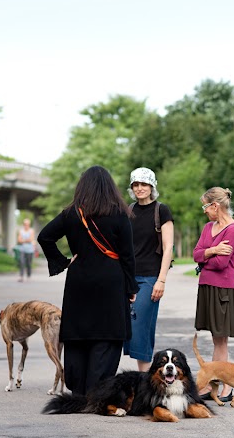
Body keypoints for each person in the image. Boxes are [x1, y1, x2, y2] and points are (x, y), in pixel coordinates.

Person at [37, 165, 138, 395]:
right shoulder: (120, 214)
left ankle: (79, 390)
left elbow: (45, 237)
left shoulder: (72, 213)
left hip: (79, 280)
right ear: (110, 187)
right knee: (107, 334)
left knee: (78, 333)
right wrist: (131, 286)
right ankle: (98, 390)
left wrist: (62, 262)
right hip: (111, 282)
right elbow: (127, 256)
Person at [193, 187, 234, 402]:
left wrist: (206, 257)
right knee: (215, 339)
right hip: (206, 287)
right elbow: (196, 255)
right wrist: (212, 251)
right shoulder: (208, 227)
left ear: (215, 206)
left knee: (221, 340)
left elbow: (222, 264)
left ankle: (226, 388)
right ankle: (212, 387)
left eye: (206, 206)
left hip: (223, 289)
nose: (204, 211)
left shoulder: (233, 229)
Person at [124, 167, 174, 372]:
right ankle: (142, 380)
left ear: (152, 186)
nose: (139, 188)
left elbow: (168, 246)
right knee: (127, 326)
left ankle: (144, 380)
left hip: (150, 278)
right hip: (128, 278)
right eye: (136, 184)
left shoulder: (161, 210)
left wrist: (161, 280)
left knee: (140, 327)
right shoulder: (128, 211)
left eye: (144, 184)